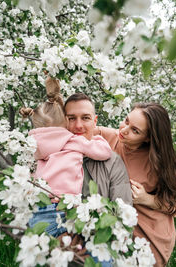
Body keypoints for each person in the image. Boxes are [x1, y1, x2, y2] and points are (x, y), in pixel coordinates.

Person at [95, 102, 176, 267]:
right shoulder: (111, 137)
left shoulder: (159, 162)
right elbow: (77, 127)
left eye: (135, 130)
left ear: (148, 137)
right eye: (126, 121)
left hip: (149, 236)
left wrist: (146, 199)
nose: (124, 130)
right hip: (115, 230)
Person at [20, 77, 114, 237]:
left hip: (38, 208)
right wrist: (96, 136)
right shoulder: (72, 140)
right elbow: (104, 151)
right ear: (65, 123)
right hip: (63, 207)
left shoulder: (33, 146)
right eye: (71, 119)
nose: (77, 126)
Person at [63, 93, 132, 204]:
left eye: (85, 118)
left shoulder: (112, 162)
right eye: (71, 118)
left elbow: (121, 211)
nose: (78, 125)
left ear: (94, 122)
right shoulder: (51, 155)